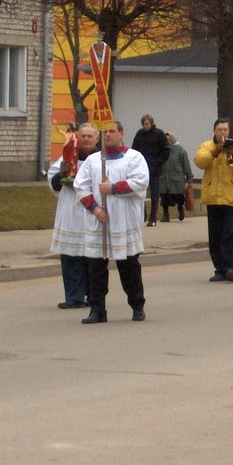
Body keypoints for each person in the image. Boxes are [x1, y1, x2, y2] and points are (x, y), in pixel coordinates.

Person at [73, 121, 149, 324]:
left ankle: (137, 305)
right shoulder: (93, 160)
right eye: (105, 132)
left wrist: (113, 188)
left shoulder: (134, 158)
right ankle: (97, 309)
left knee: (129, 266)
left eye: (112, 131)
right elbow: (80, 186)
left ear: (121, 134)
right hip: (99, 220)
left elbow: (140, 182)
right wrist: (95, 208)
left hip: (123, 221)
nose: (108, 135)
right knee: (96, 267)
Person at [47, 123, 98, 309]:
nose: (85, 139)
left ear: (96, 140)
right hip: (70, 212)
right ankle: (74, 296)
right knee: (71, 257)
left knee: (93, 258)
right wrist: (62, 173)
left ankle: (94, 296)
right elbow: (53, 183)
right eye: (82, 135)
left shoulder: (102, 160)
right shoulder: (67, 156)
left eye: (89, 136)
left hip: (92, 212)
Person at [194, 118, 233, 283]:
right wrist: (215, 152)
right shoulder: (207, 146)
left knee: (230, 233)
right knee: (215, 235)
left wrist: (232, 153)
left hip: (232, 197)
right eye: (219, 130)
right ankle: (219, 269)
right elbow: (199, 161)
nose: (222, 133)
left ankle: (230, 268)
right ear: (214, 131)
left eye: (225, 130)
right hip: (213, 197)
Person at [130, 114, 169, 226]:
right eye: (143, 124)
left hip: (154, 168)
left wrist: (158, 162)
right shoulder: (139, 134)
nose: (145, 126)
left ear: (151, 123)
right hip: (141, 168)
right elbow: (134, 149)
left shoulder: (159, 134)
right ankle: (143, 216)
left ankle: (153, 218)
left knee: (154, 195)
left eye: (146, 124)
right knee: (141, 192)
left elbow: (166, 150)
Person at [160, 132, 193, 222]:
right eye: (166, 140)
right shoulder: (161, 150)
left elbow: (186, 164)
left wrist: (189, 177)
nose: (167, 141)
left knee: (178, 196)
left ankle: (180, 209)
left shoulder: (180, 150)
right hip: (164, 178)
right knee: (164, 197)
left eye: (169, 139)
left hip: (176, 179)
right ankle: (165, 215)